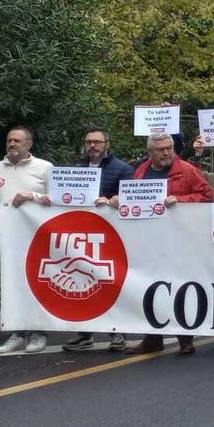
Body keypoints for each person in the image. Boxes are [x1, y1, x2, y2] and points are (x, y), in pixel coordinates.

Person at [99, 133, 213, 355]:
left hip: (179, 241)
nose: (167, 152)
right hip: (149, 240)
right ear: (150, 152)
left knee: (178, 287)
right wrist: (118, 201)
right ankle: (153, 338)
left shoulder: (187, 170)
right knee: (149, 287)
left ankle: (185, 339)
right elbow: (132, 199)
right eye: (161, 149)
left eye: (169, 147)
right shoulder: (140, 171)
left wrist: (180, 200)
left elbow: (207, 195)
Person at [59, 127, 136, 352]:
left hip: (111, 237)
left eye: (97, 142)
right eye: (88, 142)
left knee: (111, 284)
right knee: (83, 284)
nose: (92, 146)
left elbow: (130, 199)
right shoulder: (77, 167)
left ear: (107, 144)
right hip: (82, 236)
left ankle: (118, 333)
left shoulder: (123, 169)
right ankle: (85, 333)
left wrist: (113, 201)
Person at [0, 127, 54, 355]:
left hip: (36, 238)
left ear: (29, 144)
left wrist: (33, 196)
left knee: (36, 284)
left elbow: (58, 199)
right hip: (3, 239)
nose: (12, 144)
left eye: (17, 140)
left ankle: (39, 332)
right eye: (9, 140)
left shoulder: (45, 167)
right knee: (10, 287)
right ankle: (17, 333)